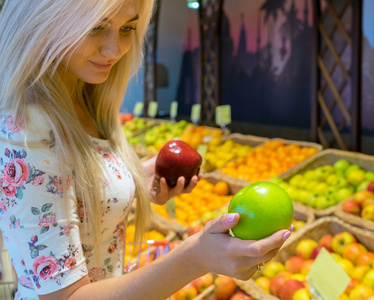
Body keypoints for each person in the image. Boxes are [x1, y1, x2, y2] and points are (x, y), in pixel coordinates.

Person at [0, 0, 293, 299]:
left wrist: (130, 180)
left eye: (127, 27)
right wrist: (196, 257)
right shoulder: (26, 129)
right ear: (41, 20)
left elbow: (66, 187)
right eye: (95, 27)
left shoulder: (82, 96)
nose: (115, 49)